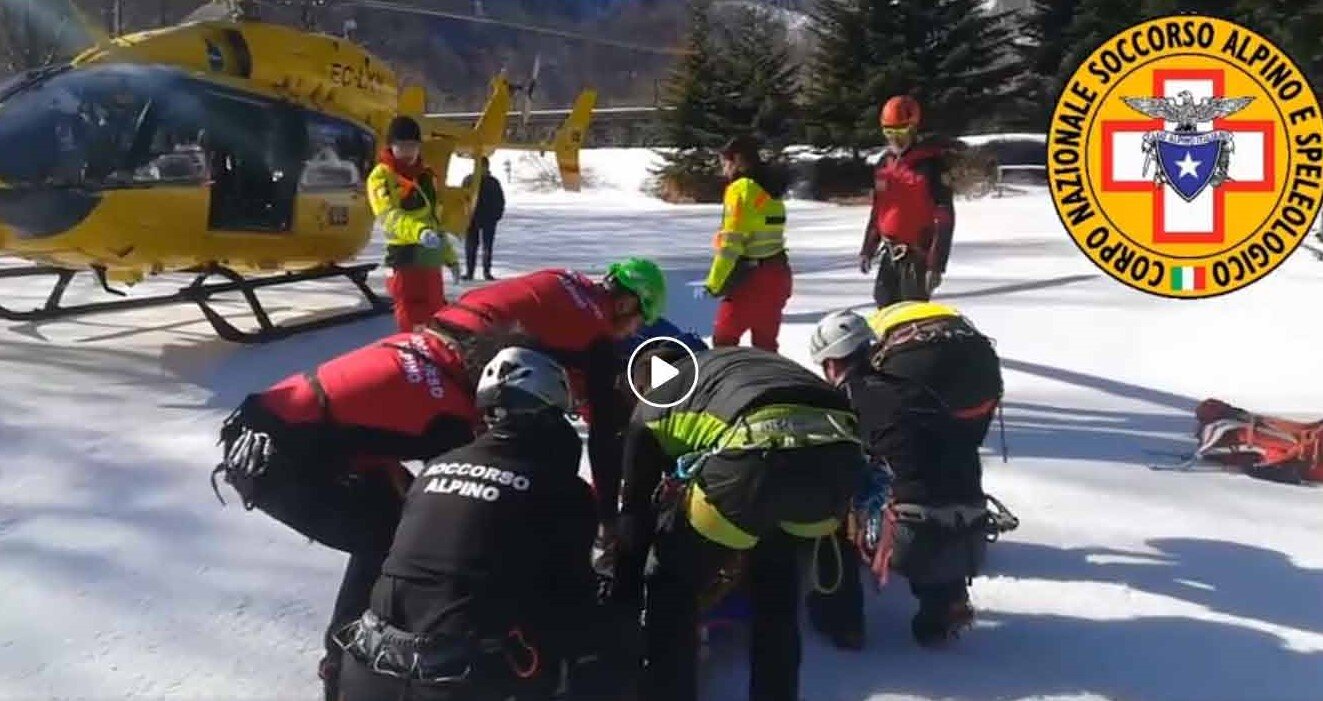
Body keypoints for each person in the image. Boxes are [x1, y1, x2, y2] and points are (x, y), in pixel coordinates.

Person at [210, 324, 522, 700]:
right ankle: (340, 663)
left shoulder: (431, 353)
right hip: (270, 459)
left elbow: (370, 429)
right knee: (385, 538)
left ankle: (367, 640)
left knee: (400, 513)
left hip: (268, 425)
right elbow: (458, 503)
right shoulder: (450, 419)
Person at [336, 347, 617, 700]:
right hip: (457, 680)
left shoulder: (433, 468)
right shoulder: (562, 490)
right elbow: (571, 600)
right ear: (551, 418)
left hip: (367, 666)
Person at [610, 345, 868, 701]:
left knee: (672, 583)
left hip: (755, 462)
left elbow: (636, 515)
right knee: (775, 584)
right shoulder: (730, 367)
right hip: (836, 461)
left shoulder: (653, 407)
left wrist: (624, 596)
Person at [808, 301, 1006, 647]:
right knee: (926, 492)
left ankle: (842, 620)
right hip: (970, 518)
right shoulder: (916, 388)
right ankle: (944, 604)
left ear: (831, 362)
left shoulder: (845, 399)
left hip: (910, 529)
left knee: (831, 512)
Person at [428, 259, 667, 533]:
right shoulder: (595, 335)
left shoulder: (568, 279)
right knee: (543, 445)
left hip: (439, 330)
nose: (633, 332)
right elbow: (604, 433)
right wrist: (609, 515)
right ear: (625, 305)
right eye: (638, 322)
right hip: (473, 352)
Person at [860, 95, 956, 309]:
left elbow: (945, 218)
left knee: (911, 315)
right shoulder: (884, 165)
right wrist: (868, 248)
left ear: (913, 129)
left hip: (917, 258)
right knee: (883, 309)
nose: (895, 140)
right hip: (890, 253)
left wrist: (936, 264)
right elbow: (878, 212)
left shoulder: (931, 165)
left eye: (901, 133)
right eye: (889, 133)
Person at [369, 115, 462, 332]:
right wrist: (419, 232)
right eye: (402, 147)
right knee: (412, 322)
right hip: (405, 260)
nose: (409, 153)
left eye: (413, 146)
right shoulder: (381, 177)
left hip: (430, 261)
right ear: (391, 146)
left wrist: (449, 257)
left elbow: (434, 221)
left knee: (436, 319)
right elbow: (389, 217)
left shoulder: (425, 177)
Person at [704, 135, 792, 353]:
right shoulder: (771, 189)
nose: (722, 167)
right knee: (765, 347)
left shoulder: (740, 190)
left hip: (751, 281)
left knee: (724, 344)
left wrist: (714, 283)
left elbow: (731, 244)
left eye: (724, 161)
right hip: (778, 276)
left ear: (736, 161)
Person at [461, 157, 506, 281]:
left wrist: (497, 215)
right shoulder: (468, 180)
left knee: (487, 246)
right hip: (472, 218)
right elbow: (462, 198)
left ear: (487, 167)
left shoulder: (493, 182)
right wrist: (464, 215)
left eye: (483, 166)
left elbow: (500, 200)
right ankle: (470, 272)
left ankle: (487, 272)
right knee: (471, 246)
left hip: (488, 219)